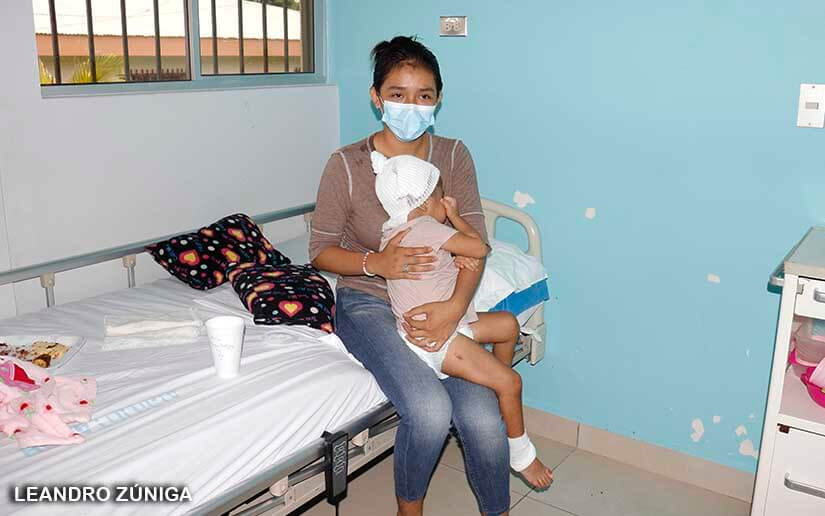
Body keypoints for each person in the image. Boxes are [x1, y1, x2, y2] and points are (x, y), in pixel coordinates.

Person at [310, 36, 512, 515]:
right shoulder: (346, 165)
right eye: (397, 94)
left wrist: (455, 309)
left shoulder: (453, 155)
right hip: (368, 301)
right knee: (429, 409)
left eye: (424, 95)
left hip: (439, 299)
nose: (411, 106)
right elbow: (320, 252)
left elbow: (475, 245)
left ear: (438, 99)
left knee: (484, 420)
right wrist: (376, 263)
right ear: (376, 97)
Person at [372, 151, 553, 489]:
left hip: (436, 328)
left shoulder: (395, 232)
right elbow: (481, 248)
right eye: (442, 194)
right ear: (427, 203)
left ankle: (495, 389)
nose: (447, 200)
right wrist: (456, 218)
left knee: (507, 325)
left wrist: (455, 256)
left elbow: (452, 258)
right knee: (512, 383)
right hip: (437, 342)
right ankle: (522, 456)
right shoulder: (426, 227)